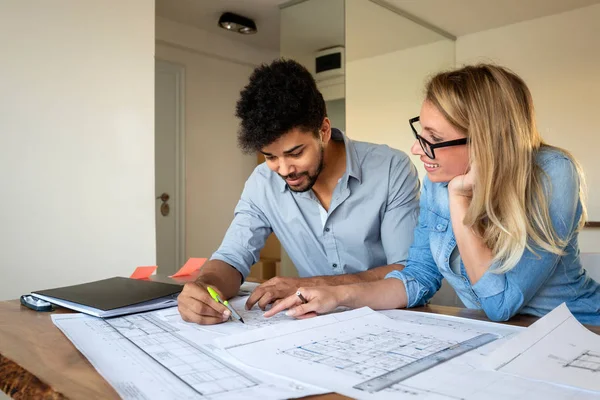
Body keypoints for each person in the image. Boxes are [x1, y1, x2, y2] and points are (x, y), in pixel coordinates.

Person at [265, 64, 600, 325]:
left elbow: (501, 303)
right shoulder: (438, 182)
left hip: (580, 333)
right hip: (502, 337)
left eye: (432, 138)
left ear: (485, 142)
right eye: (419, 131)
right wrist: (338, 296)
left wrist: (459, 200)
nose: (415, 148)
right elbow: (418, 277)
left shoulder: (553, 173)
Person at [177, 59, 420, 325]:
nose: (283, 169)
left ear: (324, 131)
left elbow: (406, 269)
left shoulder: (390, 169)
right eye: (270, 156)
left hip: (392, 318)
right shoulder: (262, 182)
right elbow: (232, 258)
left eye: (296, 153)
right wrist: (205, 286)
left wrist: (310, 285)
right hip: (314, 325)